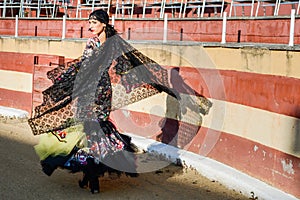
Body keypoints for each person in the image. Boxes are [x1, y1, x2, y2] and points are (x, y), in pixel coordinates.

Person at [28, 9, 212, 194]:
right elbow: (83, 66)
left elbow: (132, 61)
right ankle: (90, 176)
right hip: (88, 91)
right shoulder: (91, 43)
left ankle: (91, 175)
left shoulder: (114, 44)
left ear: (104, 24)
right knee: (88, 127)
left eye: (93, 22)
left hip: (101, 92)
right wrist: (67, 83)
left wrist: (139, 80)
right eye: (89, 22)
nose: (90, 26)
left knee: (97, 127)